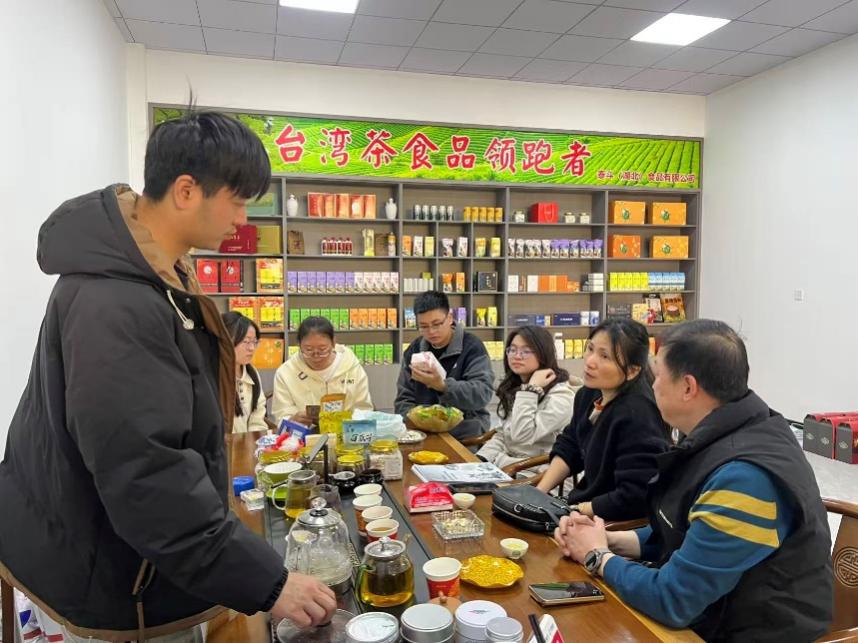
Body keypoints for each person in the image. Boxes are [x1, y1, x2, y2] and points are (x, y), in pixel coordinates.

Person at [0, 110, 336, 642]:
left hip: (129, 556)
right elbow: (148, 476)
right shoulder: (116, 303)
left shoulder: (155, 273)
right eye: (237, 200)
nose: (242, 219)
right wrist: (270, 583)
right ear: (186, 191)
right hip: (117, 576)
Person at [553, 319, 833, 641]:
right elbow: (686, 528)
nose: (652, 386)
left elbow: (673, 600)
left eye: (657, 375)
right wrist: (608, 540)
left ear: (688, 387)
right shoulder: (729, 429)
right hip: (715, 613)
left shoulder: (745, 479)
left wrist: (598, 557)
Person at [536, 318, 669, 520]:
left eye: (604, 356)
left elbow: (635, 496)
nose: (590, 361)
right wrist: (538, 494)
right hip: (580, 508)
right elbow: (570, 445)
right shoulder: (588, 393)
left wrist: (574, 511)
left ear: (632, 371)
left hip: (612, 521)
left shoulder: (638, 414)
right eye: (590, 349)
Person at [477, 326, 581, 472]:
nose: (517, 356)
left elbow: (521, 435)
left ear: (543, 354)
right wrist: (480, 459)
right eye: (512, 350)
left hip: (538, 476)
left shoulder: (561, 396)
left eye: (526, 351)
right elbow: (504, 435)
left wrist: (530, 391)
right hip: (509, 468)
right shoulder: (516, 385)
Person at [395, 291, 494, 441]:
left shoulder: (472, 347)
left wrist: (443, 386)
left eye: (437, 324)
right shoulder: (414, 350)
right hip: (422, 432)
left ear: (449, 318)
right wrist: (416, 420)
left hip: (465, 432)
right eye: (424, 326)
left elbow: (482, 394)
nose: (431, 332)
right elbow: (403, 400)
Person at [272, 316, 372, 425]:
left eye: (322, 349)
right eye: (308, 350)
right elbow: (281, 416)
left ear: (333, 343)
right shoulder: (286, 373)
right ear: (299, 345)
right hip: (305, 433)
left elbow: (364, 409)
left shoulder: (352, 367)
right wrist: (292, 420)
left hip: (348, 431)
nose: (316, 356)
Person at [222, 311, 268, 433]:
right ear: (226, 341)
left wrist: (253, 439)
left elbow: (257, 417)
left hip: (249, 443)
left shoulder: (252, 373)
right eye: (246, 342)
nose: (252, 348)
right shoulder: (212, 376)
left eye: (255, 342)